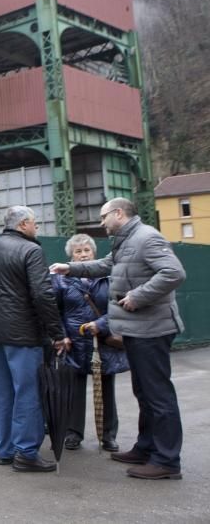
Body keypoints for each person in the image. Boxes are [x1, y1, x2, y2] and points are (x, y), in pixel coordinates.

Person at [51, 197, 186, 480]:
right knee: (144, 392)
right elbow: (106, 265)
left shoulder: (147, 238)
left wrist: (138, 296)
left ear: (119, 213)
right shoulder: (127, 241)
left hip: (152, 329)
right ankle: (147, 447)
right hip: (137, 330)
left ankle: (166, 460)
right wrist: (70, 268)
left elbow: (174, 272)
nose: (101, 223)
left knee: (158, 395)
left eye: (103, 217)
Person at [0, 206, 70, 473]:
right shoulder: (31, 250)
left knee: (2, 393)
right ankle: (26, 452)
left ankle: (6, 450)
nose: (37, 228)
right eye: (35, 223)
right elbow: (43, 295)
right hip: (24, 334)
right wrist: (57, 333)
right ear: (22, 224)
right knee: (28, 393)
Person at [51, 233, 129, 453]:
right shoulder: (60, 278)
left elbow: (118, 306)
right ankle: (73, 433)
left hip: (102, 341)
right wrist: (61, 335)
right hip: (73, 343)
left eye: (87, 250)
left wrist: (101, 324)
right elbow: (54, 311)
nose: (83, 255)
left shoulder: (109, 276)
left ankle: (108, 436)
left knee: (106, 389)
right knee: (73, 390)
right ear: (70, 256)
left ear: (94, 253)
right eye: (78, 251)